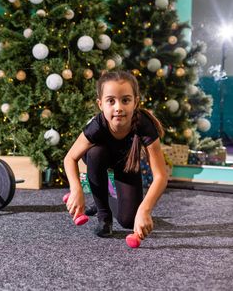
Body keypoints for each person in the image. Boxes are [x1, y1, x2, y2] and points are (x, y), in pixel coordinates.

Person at [63, 71, 168, 240]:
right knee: (96, 153)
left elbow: (161, 176)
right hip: (99, 158)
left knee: (128, 221)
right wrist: (76, 190)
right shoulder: (97, 126)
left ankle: (105, 200)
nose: (118, 107)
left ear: (136, 102)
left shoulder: (144, 125)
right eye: (111, 101)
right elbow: (70, 158)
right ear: (100, 104)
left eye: (125, 100)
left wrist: (144, 209)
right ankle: (104, 216)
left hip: (126, 163)